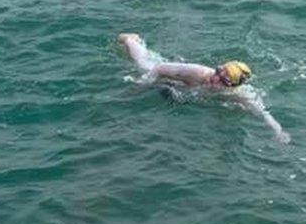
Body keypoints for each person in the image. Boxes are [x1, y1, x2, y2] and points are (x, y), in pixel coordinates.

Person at [117, 33, 290, 143]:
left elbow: (263, 113)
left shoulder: (239, 95)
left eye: (222, 80)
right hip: (166, 75)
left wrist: (278, 131)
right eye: (217, 73)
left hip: (182, 88)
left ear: (232, 87)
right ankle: (131, 39)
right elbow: (160, 68)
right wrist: (143, 83)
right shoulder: (199, 72)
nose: (214, 79)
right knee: (145, 63)